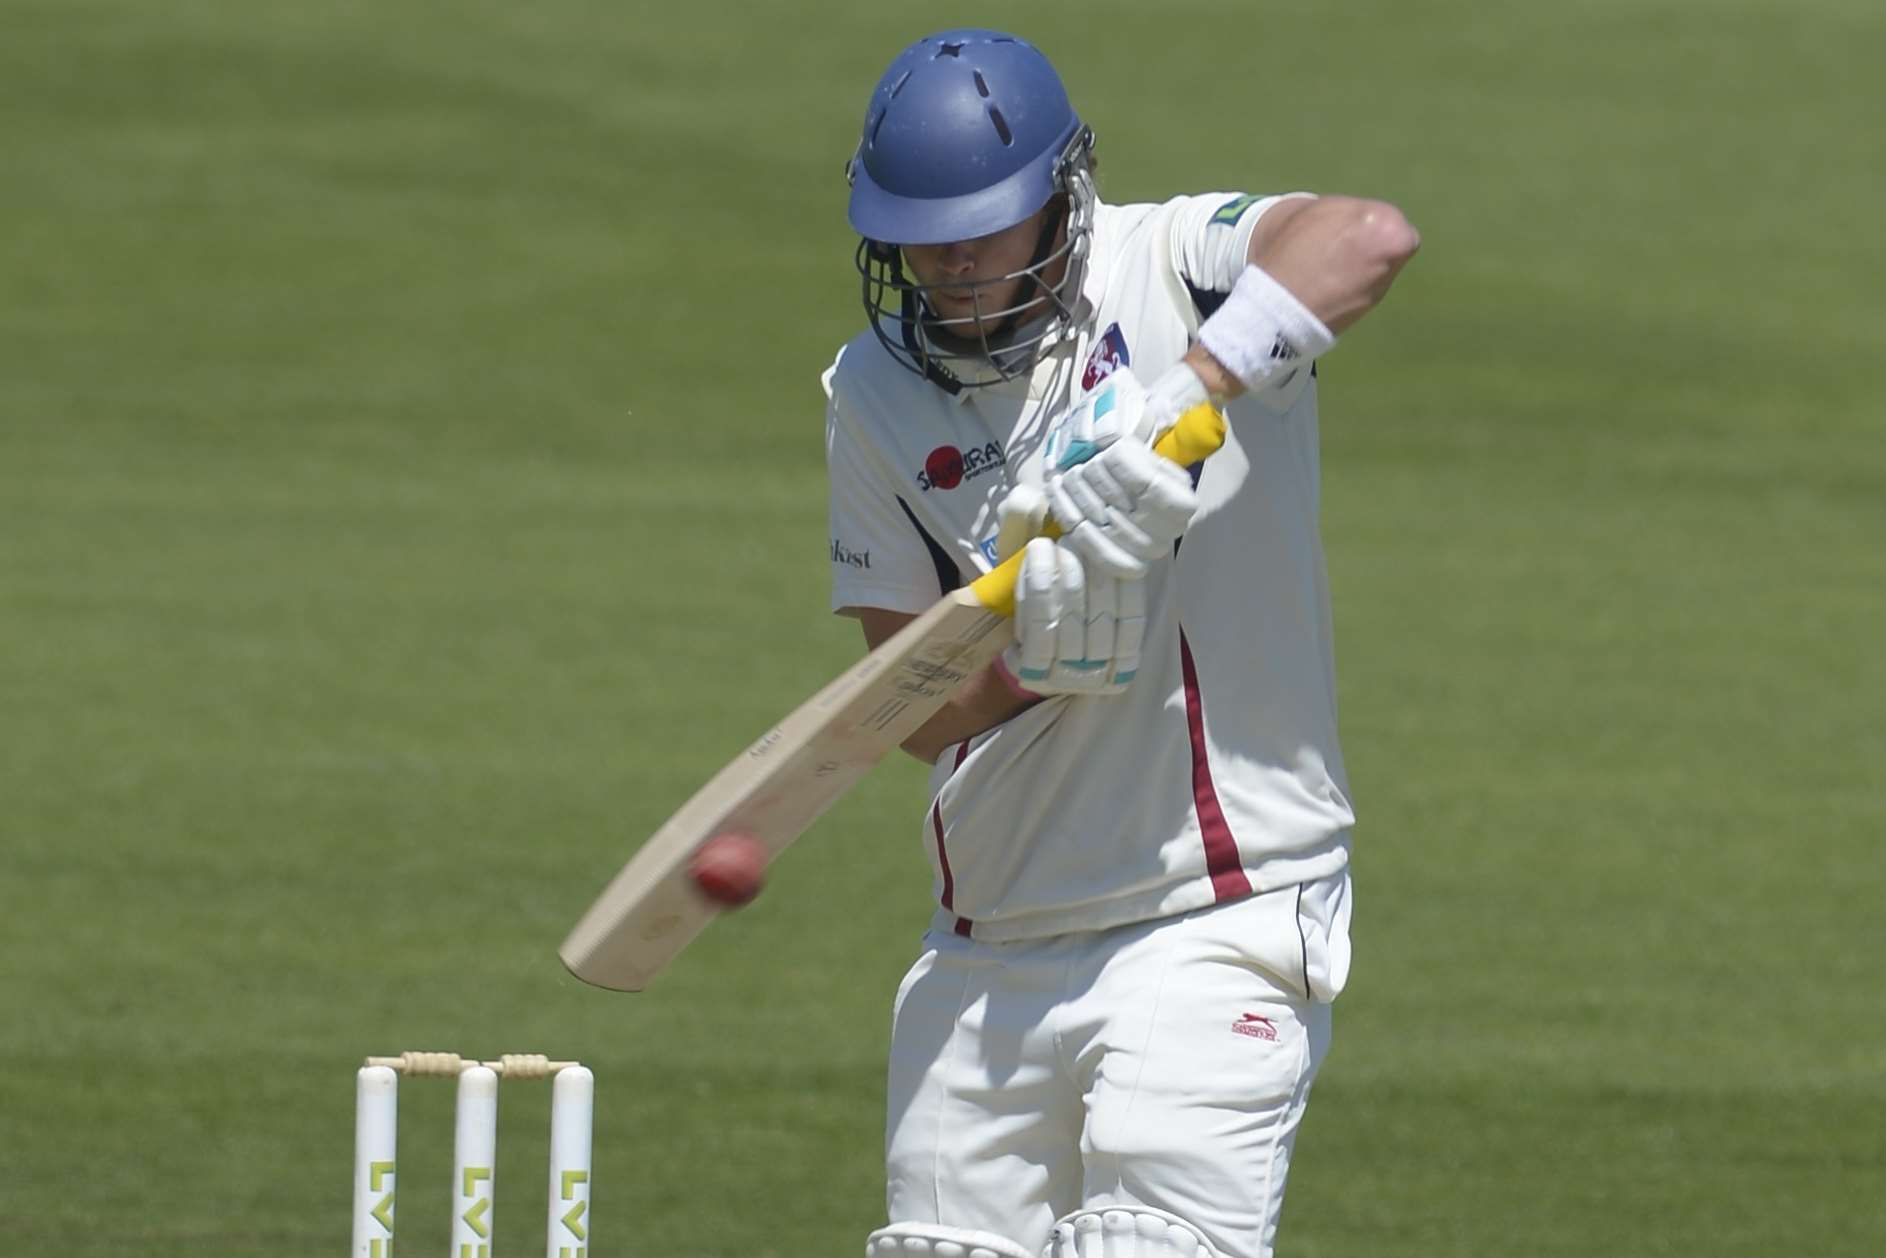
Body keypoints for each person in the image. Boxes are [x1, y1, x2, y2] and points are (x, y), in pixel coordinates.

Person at [824, 28, 1419, 1258]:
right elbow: (910, 707)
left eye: (979, 232)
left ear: (1059, 197)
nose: (948, 268)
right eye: (920, 240)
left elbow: (1365, 237)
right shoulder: (870, 393)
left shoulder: (1174, 261)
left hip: (1211, 907)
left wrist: (1183, 402)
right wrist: (1024, 665)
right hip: (987, 938)